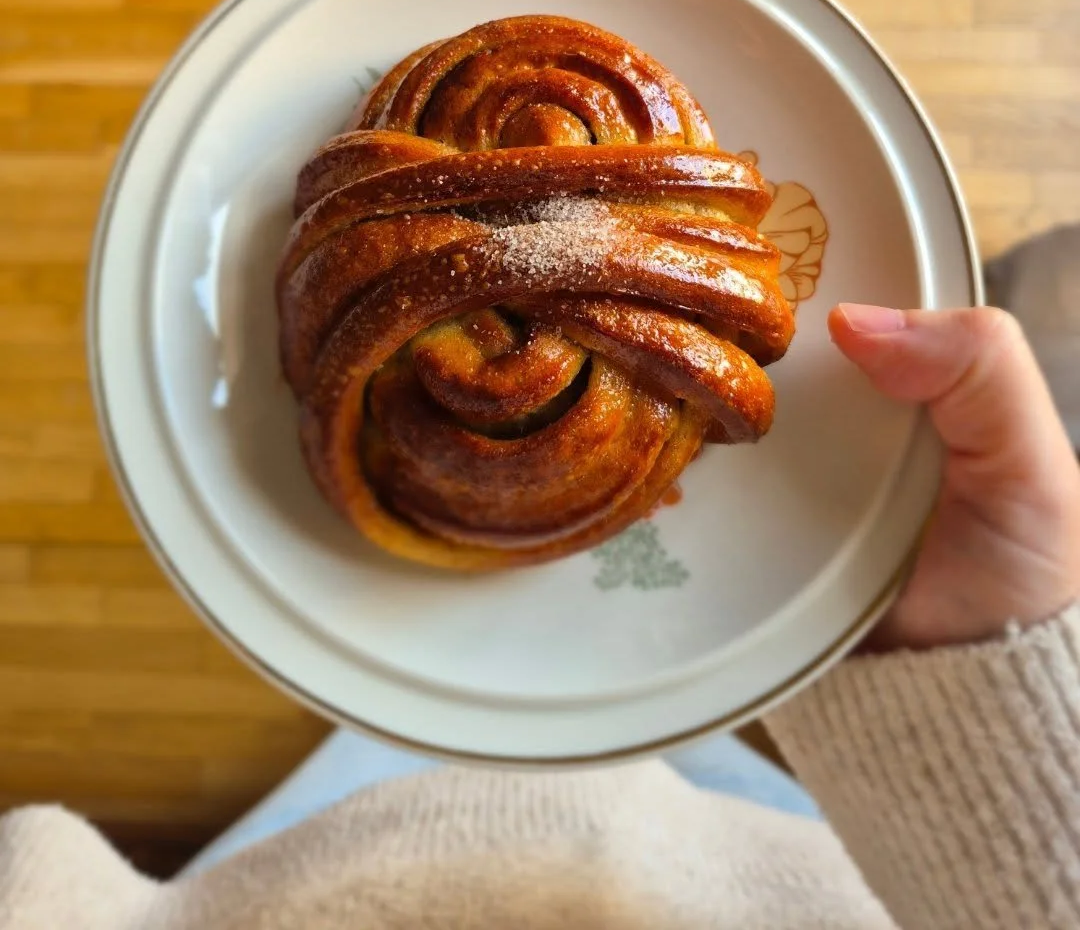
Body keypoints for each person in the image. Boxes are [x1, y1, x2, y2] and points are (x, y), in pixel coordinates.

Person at [3, 305, 1079, 928]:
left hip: (311, 872)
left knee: (391, 706)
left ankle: (401, 701)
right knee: (656, 705)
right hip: (800, 864)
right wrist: (981, 698)